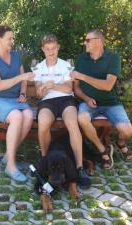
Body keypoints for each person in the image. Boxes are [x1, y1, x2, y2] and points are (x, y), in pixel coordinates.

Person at [71, 28, 132, 170]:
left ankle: (121, 143)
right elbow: (76, 88)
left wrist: (83, 76)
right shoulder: (81, 59)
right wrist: (86, 98)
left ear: (99, 42)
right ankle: (103, 150)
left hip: (111, 103)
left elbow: (107, 86)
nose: (84, 43)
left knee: (128, 131)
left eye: (88, 40)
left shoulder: (113, 58)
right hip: (89, 103)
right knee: (82, 118)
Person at [34, 34, 91, 189]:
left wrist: (52, 85)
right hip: (47, 101)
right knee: (43, 123)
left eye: (53, 48)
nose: (51, 52)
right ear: (43, 50)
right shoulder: (39, 67)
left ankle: (79, 168)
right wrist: (42, 89)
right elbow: (38, 94)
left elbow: (68, 88)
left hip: (66, 100)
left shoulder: (66, 65)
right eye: (47, 49)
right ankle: (45, 162)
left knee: (73, 123)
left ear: (58, 47)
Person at [0, 25, 34, 182]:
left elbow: (24, 79)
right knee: (17, 117)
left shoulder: (16, 56)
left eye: (13, 38)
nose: (12, 41)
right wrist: (21, 78)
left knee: (29, 115)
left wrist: (23, 93)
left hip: (14, 100)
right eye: (9, 38)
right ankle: (11, 166)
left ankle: (7, 156)